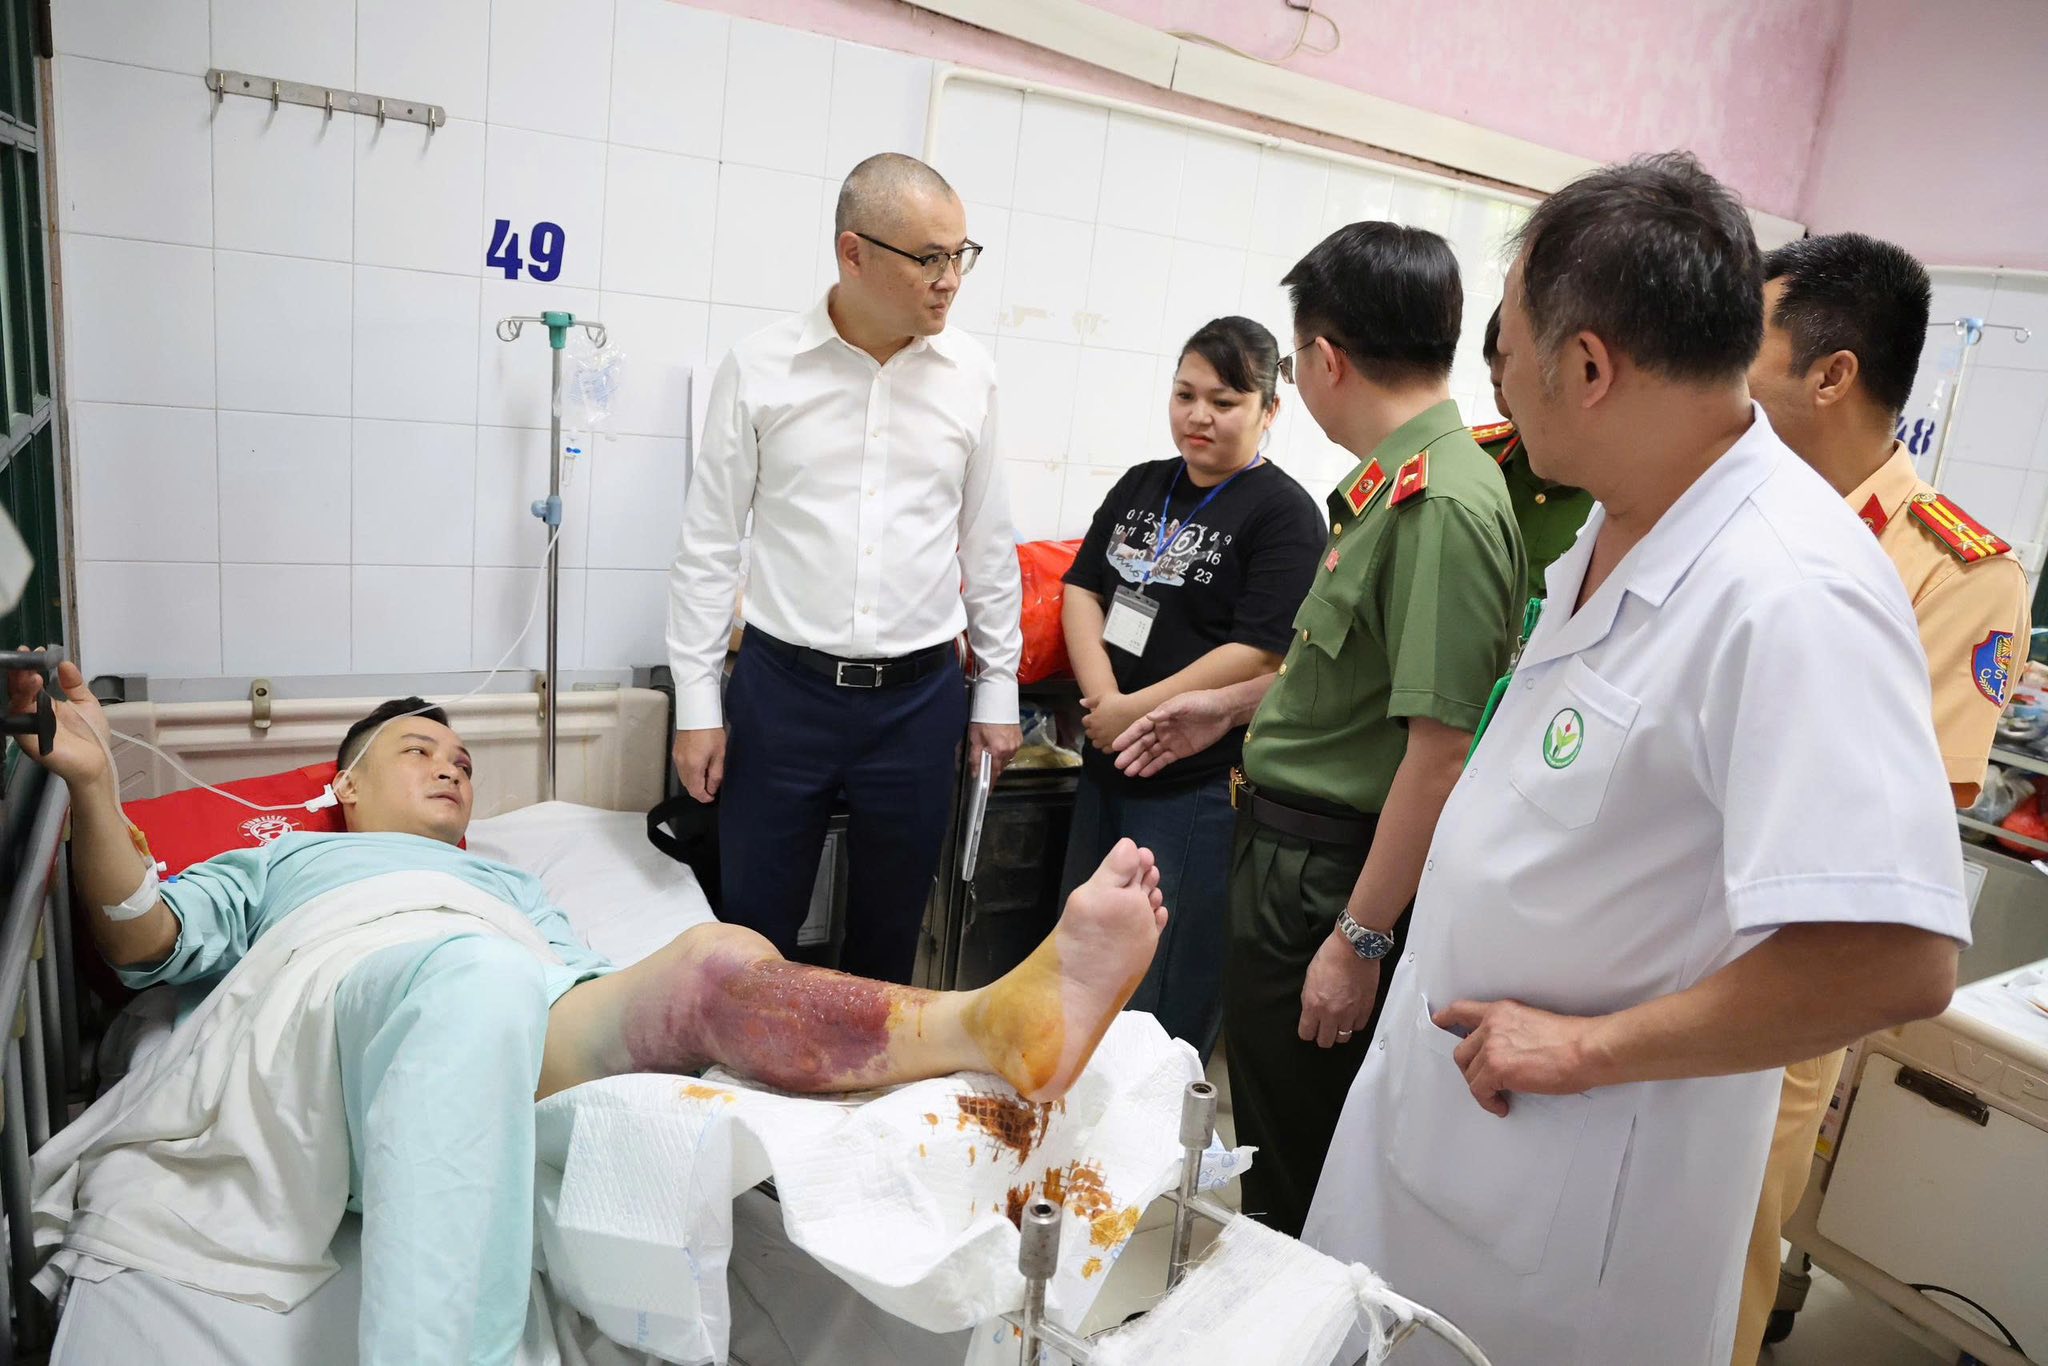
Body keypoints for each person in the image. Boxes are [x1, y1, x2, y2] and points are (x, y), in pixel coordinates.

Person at [1296, 153, 1969, 1366]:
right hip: (1445, 1154)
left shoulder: (1792, 590)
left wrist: (1582, 1048)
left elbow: (1896, 957)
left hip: (1569, 1214)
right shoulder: (1618, 519)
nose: (1497, 379)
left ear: (1588, 366)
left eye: (1507, 350)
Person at [12, 663, 1168, 1366]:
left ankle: (983, 1021)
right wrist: (95, 785)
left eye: (462, 758)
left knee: (712, 958)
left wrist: (677, 1017)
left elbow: (577, 986)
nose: (451, 766)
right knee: (472, 982)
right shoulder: (287, 866)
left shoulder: (506, 882)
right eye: (417, 750)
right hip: (345, 1002)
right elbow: (143, 938)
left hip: (510, 999)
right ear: (345, 787)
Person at [1115, 224, 1525, 1237]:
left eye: (1294, 365)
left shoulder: (1439, 505)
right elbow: (1357, 685)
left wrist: (1358, 937)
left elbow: (1441, 752)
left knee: (1303, 1167)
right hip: (1291, 863)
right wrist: (1226, 706)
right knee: (1272, 1123)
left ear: (1326, 358)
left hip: (1329, 884)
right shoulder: (1394, 486)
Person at [1735, 231, 2030, 1365]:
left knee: (1713, 1276)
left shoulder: (1953, 570)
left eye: (1747, 340)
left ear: (1831, 374)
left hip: (1775, 983)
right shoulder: (1726, 511)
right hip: (1645, 951)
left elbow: (1902, 806)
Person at [666, 152, 1023, 983]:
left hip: (920, 701)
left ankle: (869, 1067)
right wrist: (697, 703)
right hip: (783, 695)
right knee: (754, 930)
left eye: (960, 255)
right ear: (852, 253)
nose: (949, 280)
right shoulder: (762, 368)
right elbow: (709, 543)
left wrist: (998, 689)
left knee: (889, 939)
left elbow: (987, 541)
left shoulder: (971, 375)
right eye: (928, 258)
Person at [1057, 316, 1324, 1063]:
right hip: (1107, 763)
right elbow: (1082, 587)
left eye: (1225, 401)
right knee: (1081, 960)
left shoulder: (1284, 514)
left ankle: (1158, 1128)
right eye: (1185, 394)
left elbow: (1258, 651)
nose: (1198, 415)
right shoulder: (1145, 483)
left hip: (1193, 787)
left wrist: (1131, 710)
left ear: (1269, 410)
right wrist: (1104, 699)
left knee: (1162, 984)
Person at [1474, 303, 1594, 599]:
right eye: (1499, 387)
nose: (1514, 406)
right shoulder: (1473, 462)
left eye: (1528, 386)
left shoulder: (1615, 498)